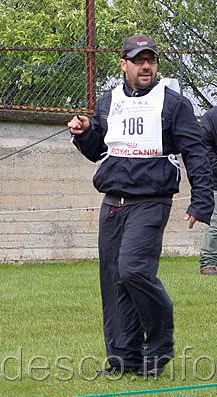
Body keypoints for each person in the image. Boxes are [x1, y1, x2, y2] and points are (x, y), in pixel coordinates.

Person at [67, 34, 214, 377]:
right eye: (138, 60)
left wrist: (202, 200)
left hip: (151, 201)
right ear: (124, 64)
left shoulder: (174, 103)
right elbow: (97, 150)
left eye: (150, 60)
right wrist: (83, 131)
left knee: (133, 271)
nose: (145, 66)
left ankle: (159, 346)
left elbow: (195, 152)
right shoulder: (108, 102)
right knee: (114, 281)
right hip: (113, 202)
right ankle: (123, 360)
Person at [198, 106, 217, 275]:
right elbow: (205, 149)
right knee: (215, 224)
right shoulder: (211, 117)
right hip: (216, 181)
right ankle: (208, 263)